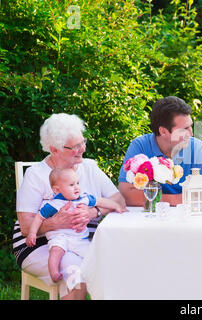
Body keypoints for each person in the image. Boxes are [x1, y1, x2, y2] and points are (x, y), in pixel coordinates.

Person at [14, 113, 126, 300]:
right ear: (54, 149)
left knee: (116, 266)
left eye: (82, 142)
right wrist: (56, 223)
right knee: (78, 277)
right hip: (39, 243)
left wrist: (93, 212)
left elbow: (119, 200)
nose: (81, 149)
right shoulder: (36, 174)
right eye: (74, 146)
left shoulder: (89, 167)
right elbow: (26, 228)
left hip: (83, 239)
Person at [26, 168, 126, 283]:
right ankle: (54, 272)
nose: (77, 187)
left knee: (91, 253)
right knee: (55, 250)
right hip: (60, 236)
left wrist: (116, 206)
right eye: (71, 185)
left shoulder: (84, 198)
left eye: (77, 183)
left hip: (79, 238)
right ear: (57, 190)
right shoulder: (53, 204)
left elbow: (101, 201)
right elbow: (39, 217)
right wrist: (32, 233)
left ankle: (97, 275)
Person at [118, 96, 202, 206]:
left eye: (190, 126)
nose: (191, 134)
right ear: (163, 131)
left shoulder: (197, 147)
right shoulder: (140, 146)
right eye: (184, 129)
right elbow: (125, 194)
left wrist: (157, 199)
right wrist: (176, 200)